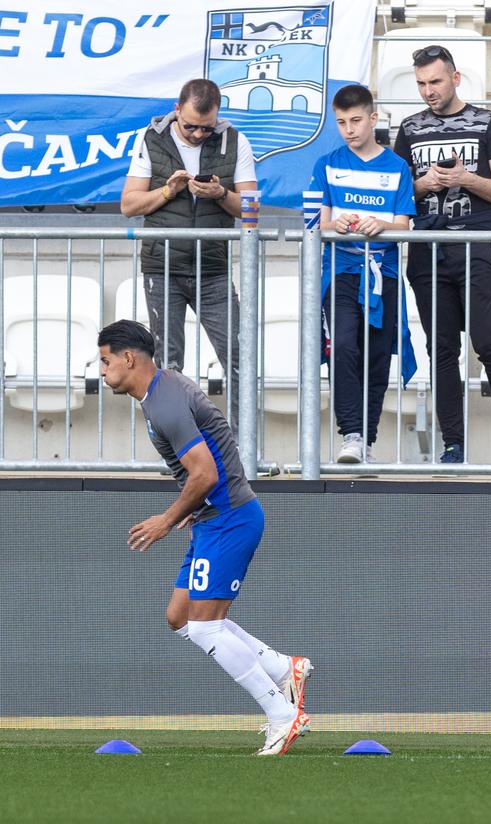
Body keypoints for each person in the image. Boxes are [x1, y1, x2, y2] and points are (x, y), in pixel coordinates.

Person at [96, 320, 311, 756]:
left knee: (205, 626)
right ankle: (282, 667)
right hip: (212, 518)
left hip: (230, 517)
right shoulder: (160, 393)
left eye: (105, 360)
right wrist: (191, 512)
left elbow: (205, 473)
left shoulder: (165, 403)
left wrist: (165, 520)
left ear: (128, 359)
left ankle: (283, 715)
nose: (101, 370)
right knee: (180, 617)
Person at [393, 45, 491, 464]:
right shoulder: (410, 128)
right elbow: (396, 195)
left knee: (490, 345)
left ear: (455, 78)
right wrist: (424, 185)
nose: (428, 91)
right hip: (427, 249)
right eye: (420, 84)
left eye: (435, 81)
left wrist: (466, 178)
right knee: (442, 349)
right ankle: (452, 445)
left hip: (477, 244)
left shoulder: (487, 122)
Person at [119, 78, 257, 425]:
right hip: (162, 268)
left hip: (213, 269)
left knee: (241, 355)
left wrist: (220, 195)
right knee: (167, 365)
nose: (197, 134)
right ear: (176, 110)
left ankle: (241, 447)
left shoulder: (235, 140)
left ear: (218, 117)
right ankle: (178, 448)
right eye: (190, 126)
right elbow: (129, 205)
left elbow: (252, 209)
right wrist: (167, 192)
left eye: (206, 128)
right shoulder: (150, 139)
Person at [312, 85, 414, 464]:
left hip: (383, 275)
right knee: (343, 348)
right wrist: (336, 223)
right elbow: (316, 224)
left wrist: (380, 225)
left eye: (356, 120)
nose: (349, 129)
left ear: (373, 119)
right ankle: (350, 434)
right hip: (340, 271)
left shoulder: (396, 167)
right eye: (341, 122)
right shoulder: (327, 163)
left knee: (376, 357)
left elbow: (404, 225)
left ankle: (366, 440)